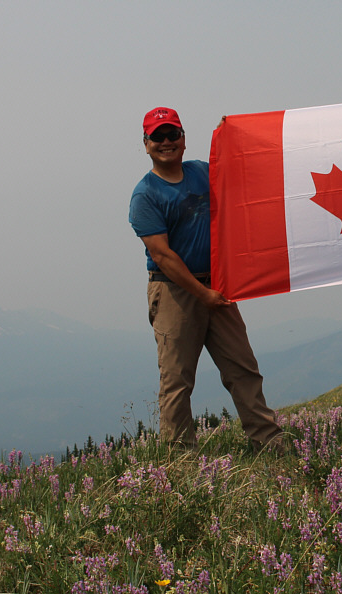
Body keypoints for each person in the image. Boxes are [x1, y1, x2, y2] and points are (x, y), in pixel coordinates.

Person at [128, 106, 284, 450]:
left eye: (173, 135)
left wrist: (231, 137)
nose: (166, 142)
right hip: (174, 292)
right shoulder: (145, 195)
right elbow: (163, 256)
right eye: (158, 137)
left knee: (242, 366)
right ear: (146, 144)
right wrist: (203, 294)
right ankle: (180, 458)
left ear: (184, 139)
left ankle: (268, 441)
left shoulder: (201, 171)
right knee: (177, 380)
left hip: (218, 283)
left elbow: (238, 172)